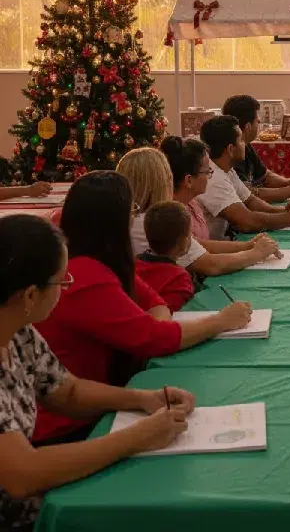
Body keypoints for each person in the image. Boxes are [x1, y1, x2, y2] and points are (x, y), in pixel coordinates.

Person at [0, 214, 194, 532]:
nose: (66, 289)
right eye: (62, 281)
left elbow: (65, 391)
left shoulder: (19, 333)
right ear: (30, 295)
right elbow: (23, 474)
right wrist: (137, 437)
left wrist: (142, 398)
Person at [34, 171, 253, 444]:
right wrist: (220, 321)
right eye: (132, 209)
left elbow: (153, 302)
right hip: (67, 428)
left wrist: (156, 327)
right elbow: (154, 338)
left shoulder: (94, 258)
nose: (134, 217)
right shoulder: (82, 275)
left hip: (91, 401)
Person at [154, 137, 283, 276]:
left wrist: (248, 245)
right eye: (207, 172)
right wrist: (256, 253)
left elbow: (199, 245)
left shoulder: (191, 202)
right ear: (189, 180)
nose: (210, 176)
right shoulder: (170, 217)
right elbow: (211, 264)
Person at [198, 116, 290, 239]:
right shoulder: (213, 178)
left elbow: (251, 201)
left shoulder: (226, 169)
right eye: (241, 140)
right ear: (230, 149)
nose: (244, 144)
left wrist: (283, 210)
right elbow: (247, 222)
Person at [221, 95, 290, 199]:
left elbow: (266, 177)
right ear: (248, 126)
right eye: (257, 122)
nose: (259, 125)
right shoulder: (230, 153)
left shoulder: (245, 145)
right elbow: (247, 194)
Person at [135, 202, 197, 312]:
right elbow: (172, 316)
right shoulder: (179, 278)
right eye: (189, 235)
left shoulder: (133, 264)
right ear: (183, 242)